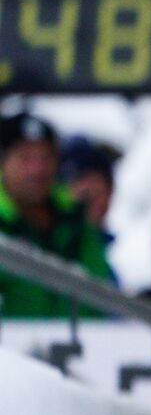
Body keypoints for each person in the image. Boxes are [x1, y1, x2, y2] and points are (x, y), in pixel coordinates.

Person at [0, 114, 116, 318]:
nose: (37, 169)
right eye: (24, 157)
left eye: (46, 157)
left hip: (87, 345)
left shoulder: (75, 220)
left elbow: (102, 293)